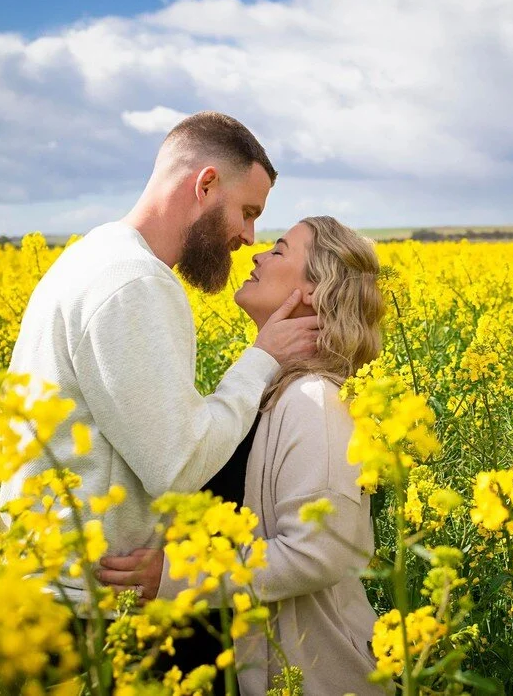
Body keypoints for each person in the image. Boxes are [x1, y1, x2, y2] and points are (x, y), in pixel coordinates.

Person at [0, 112, 319, 609]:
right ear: (206, 185)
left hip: (51, 583)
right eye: (247, 211)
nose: (249, 237)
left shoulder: (93, 256)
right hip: (83, 603)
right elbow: (178, 466)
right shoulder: (134, 282)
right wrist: (263, 359)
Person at [98, 216, 385, 695]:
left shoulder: (315, 401)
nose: (256, 254)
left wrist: (171, 574)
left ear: (314, 290)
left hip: (301, 674)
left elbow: (319, 553)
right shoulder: (269, 388)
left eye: (278, 250)